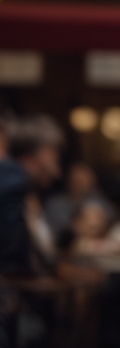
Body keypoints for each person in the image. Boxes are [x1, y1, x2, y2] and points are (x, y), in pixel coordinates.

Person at [0, 117, 62, 276]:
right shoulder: (13, 179)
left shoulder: (18, 181)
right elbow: (11, 250)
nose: (56, 167)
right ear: (43, 152)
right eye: (54, 152)